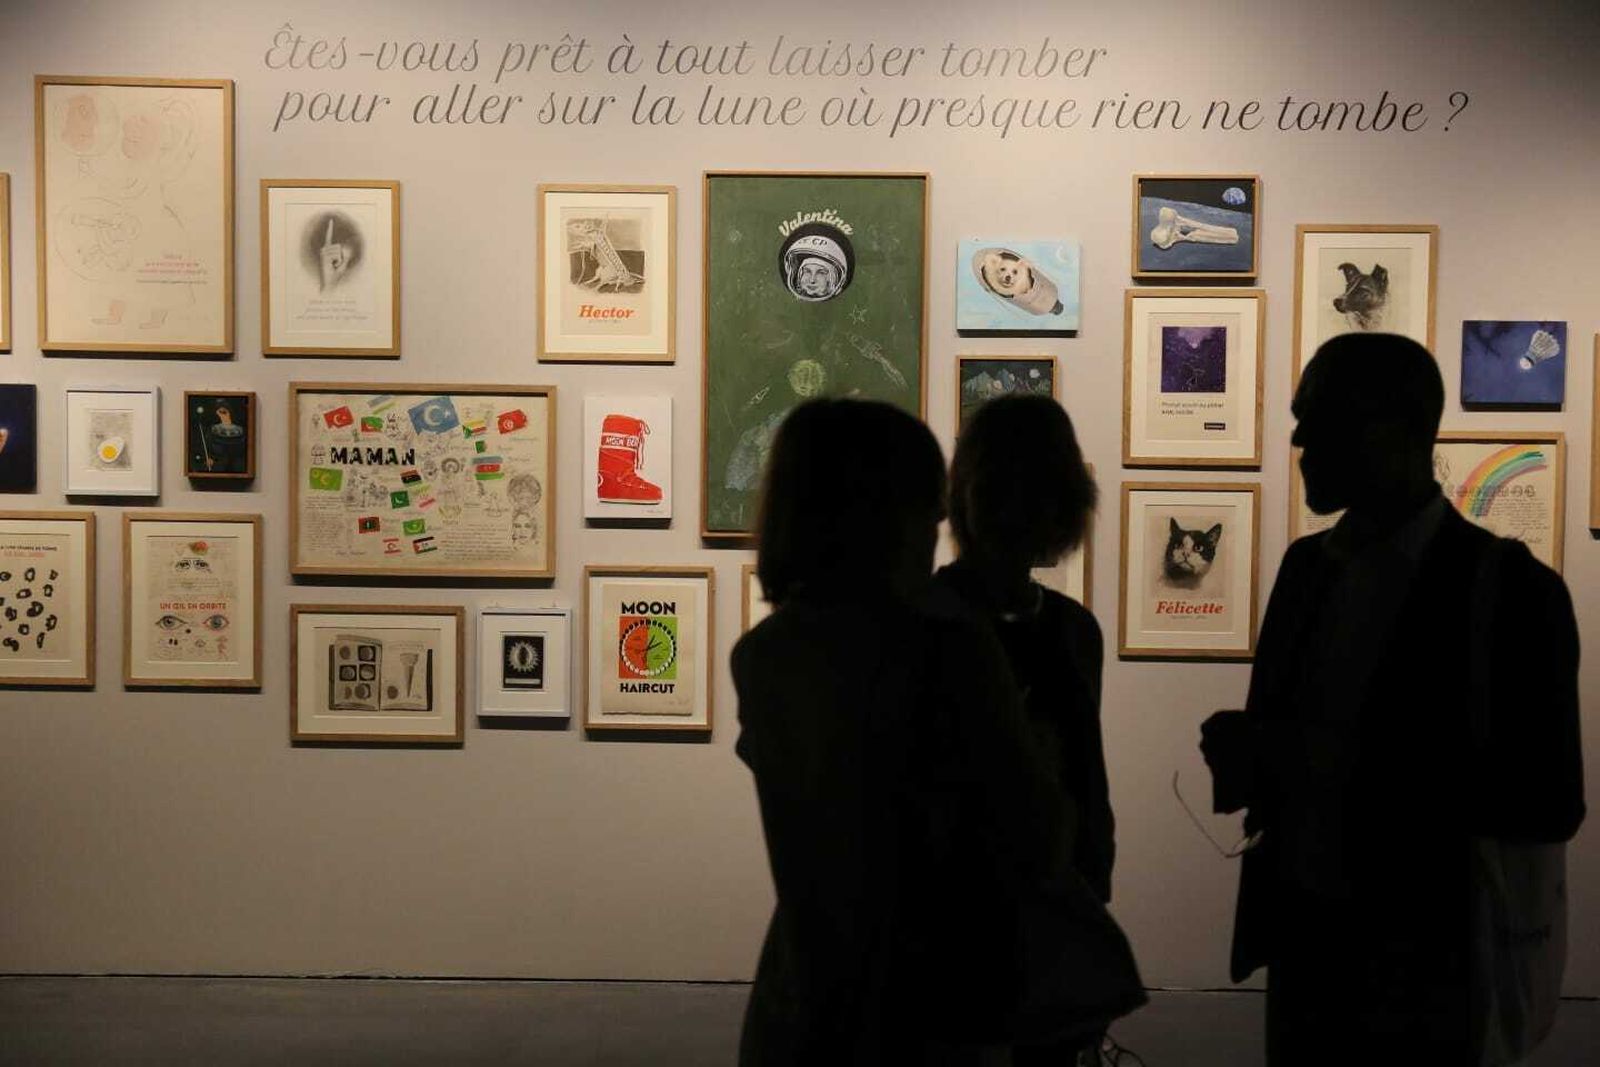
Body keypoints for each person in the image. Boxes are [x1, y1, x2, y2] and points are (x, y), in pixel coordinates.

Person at [1199, 333, 1585, 1064]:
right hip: (1309, 953)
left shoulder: (1514, 593)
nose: (1299, 441)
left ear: (1391, 429)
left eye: (1318, 418)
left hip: (1433, 971)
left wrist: (1317, 761)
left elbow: (1549, 801)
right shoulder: (1305, 570)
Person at [733, 398, 1067, 1065]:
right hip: (932, 1001)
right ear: (882, 516)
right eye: (927, 507)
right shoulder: (950, 647)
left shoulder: (766, 654)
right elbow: (1035, 834)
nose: (940, 527)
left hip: (803, 992)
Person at [935, 395, 1132, 1067]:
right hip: (955, 922)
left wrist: (1092, 883)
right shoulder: (929, 623)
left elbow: (1086, 778)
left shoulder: (1074, 630)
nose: (1021, 510)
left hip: (1053, 907)